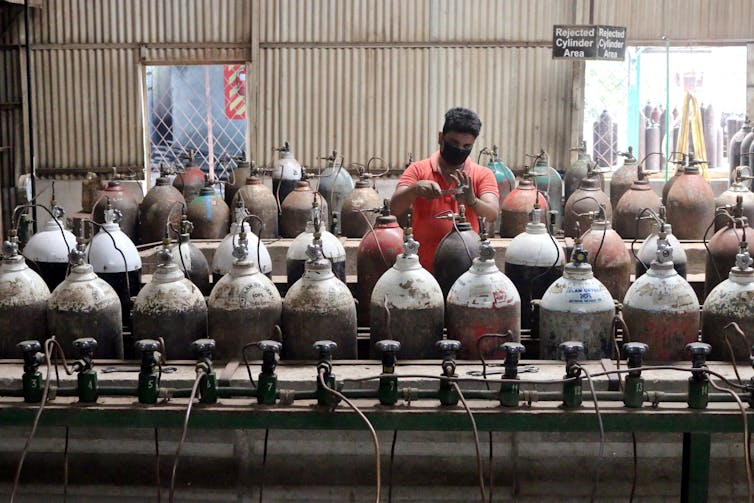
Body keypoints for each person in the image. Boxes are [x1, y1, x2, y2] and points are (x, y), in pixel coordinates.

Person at [391, 107, 499, 272]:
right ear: (441, 138)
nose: (459, 150)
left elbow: (492, 213)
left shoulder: (482, 175)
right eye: (454, 143)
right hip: (423, 271)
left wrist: (472, 201)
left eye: (466, 146)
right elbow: (395, 207)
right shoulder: (418, 170)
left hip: (467, 272)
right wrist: (415, 189)